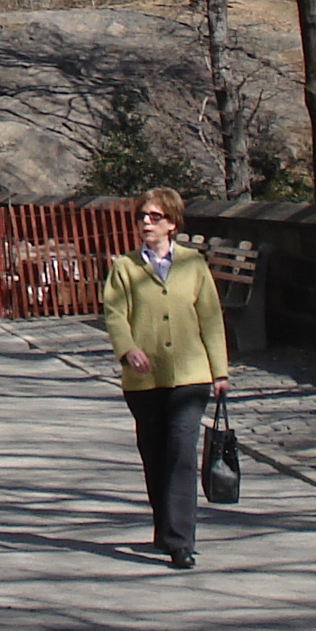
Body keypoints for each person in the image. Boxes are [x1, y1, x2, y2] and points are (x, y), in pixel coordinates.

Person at [99, 185, 229, 570]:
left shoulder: (193, 264)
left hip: (191, 376)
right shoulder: (124, 267)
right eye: (142, 216)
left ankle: (181, 540)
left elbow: (211, 318)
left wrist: (219, 371)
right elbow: (115, 314)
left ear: (172, 223)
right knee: (155, 454)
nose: (146, 223)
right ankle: (164, 524)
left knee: (181, 453)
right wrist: (127, 349)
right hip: (144, 380)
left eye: (155, 217)